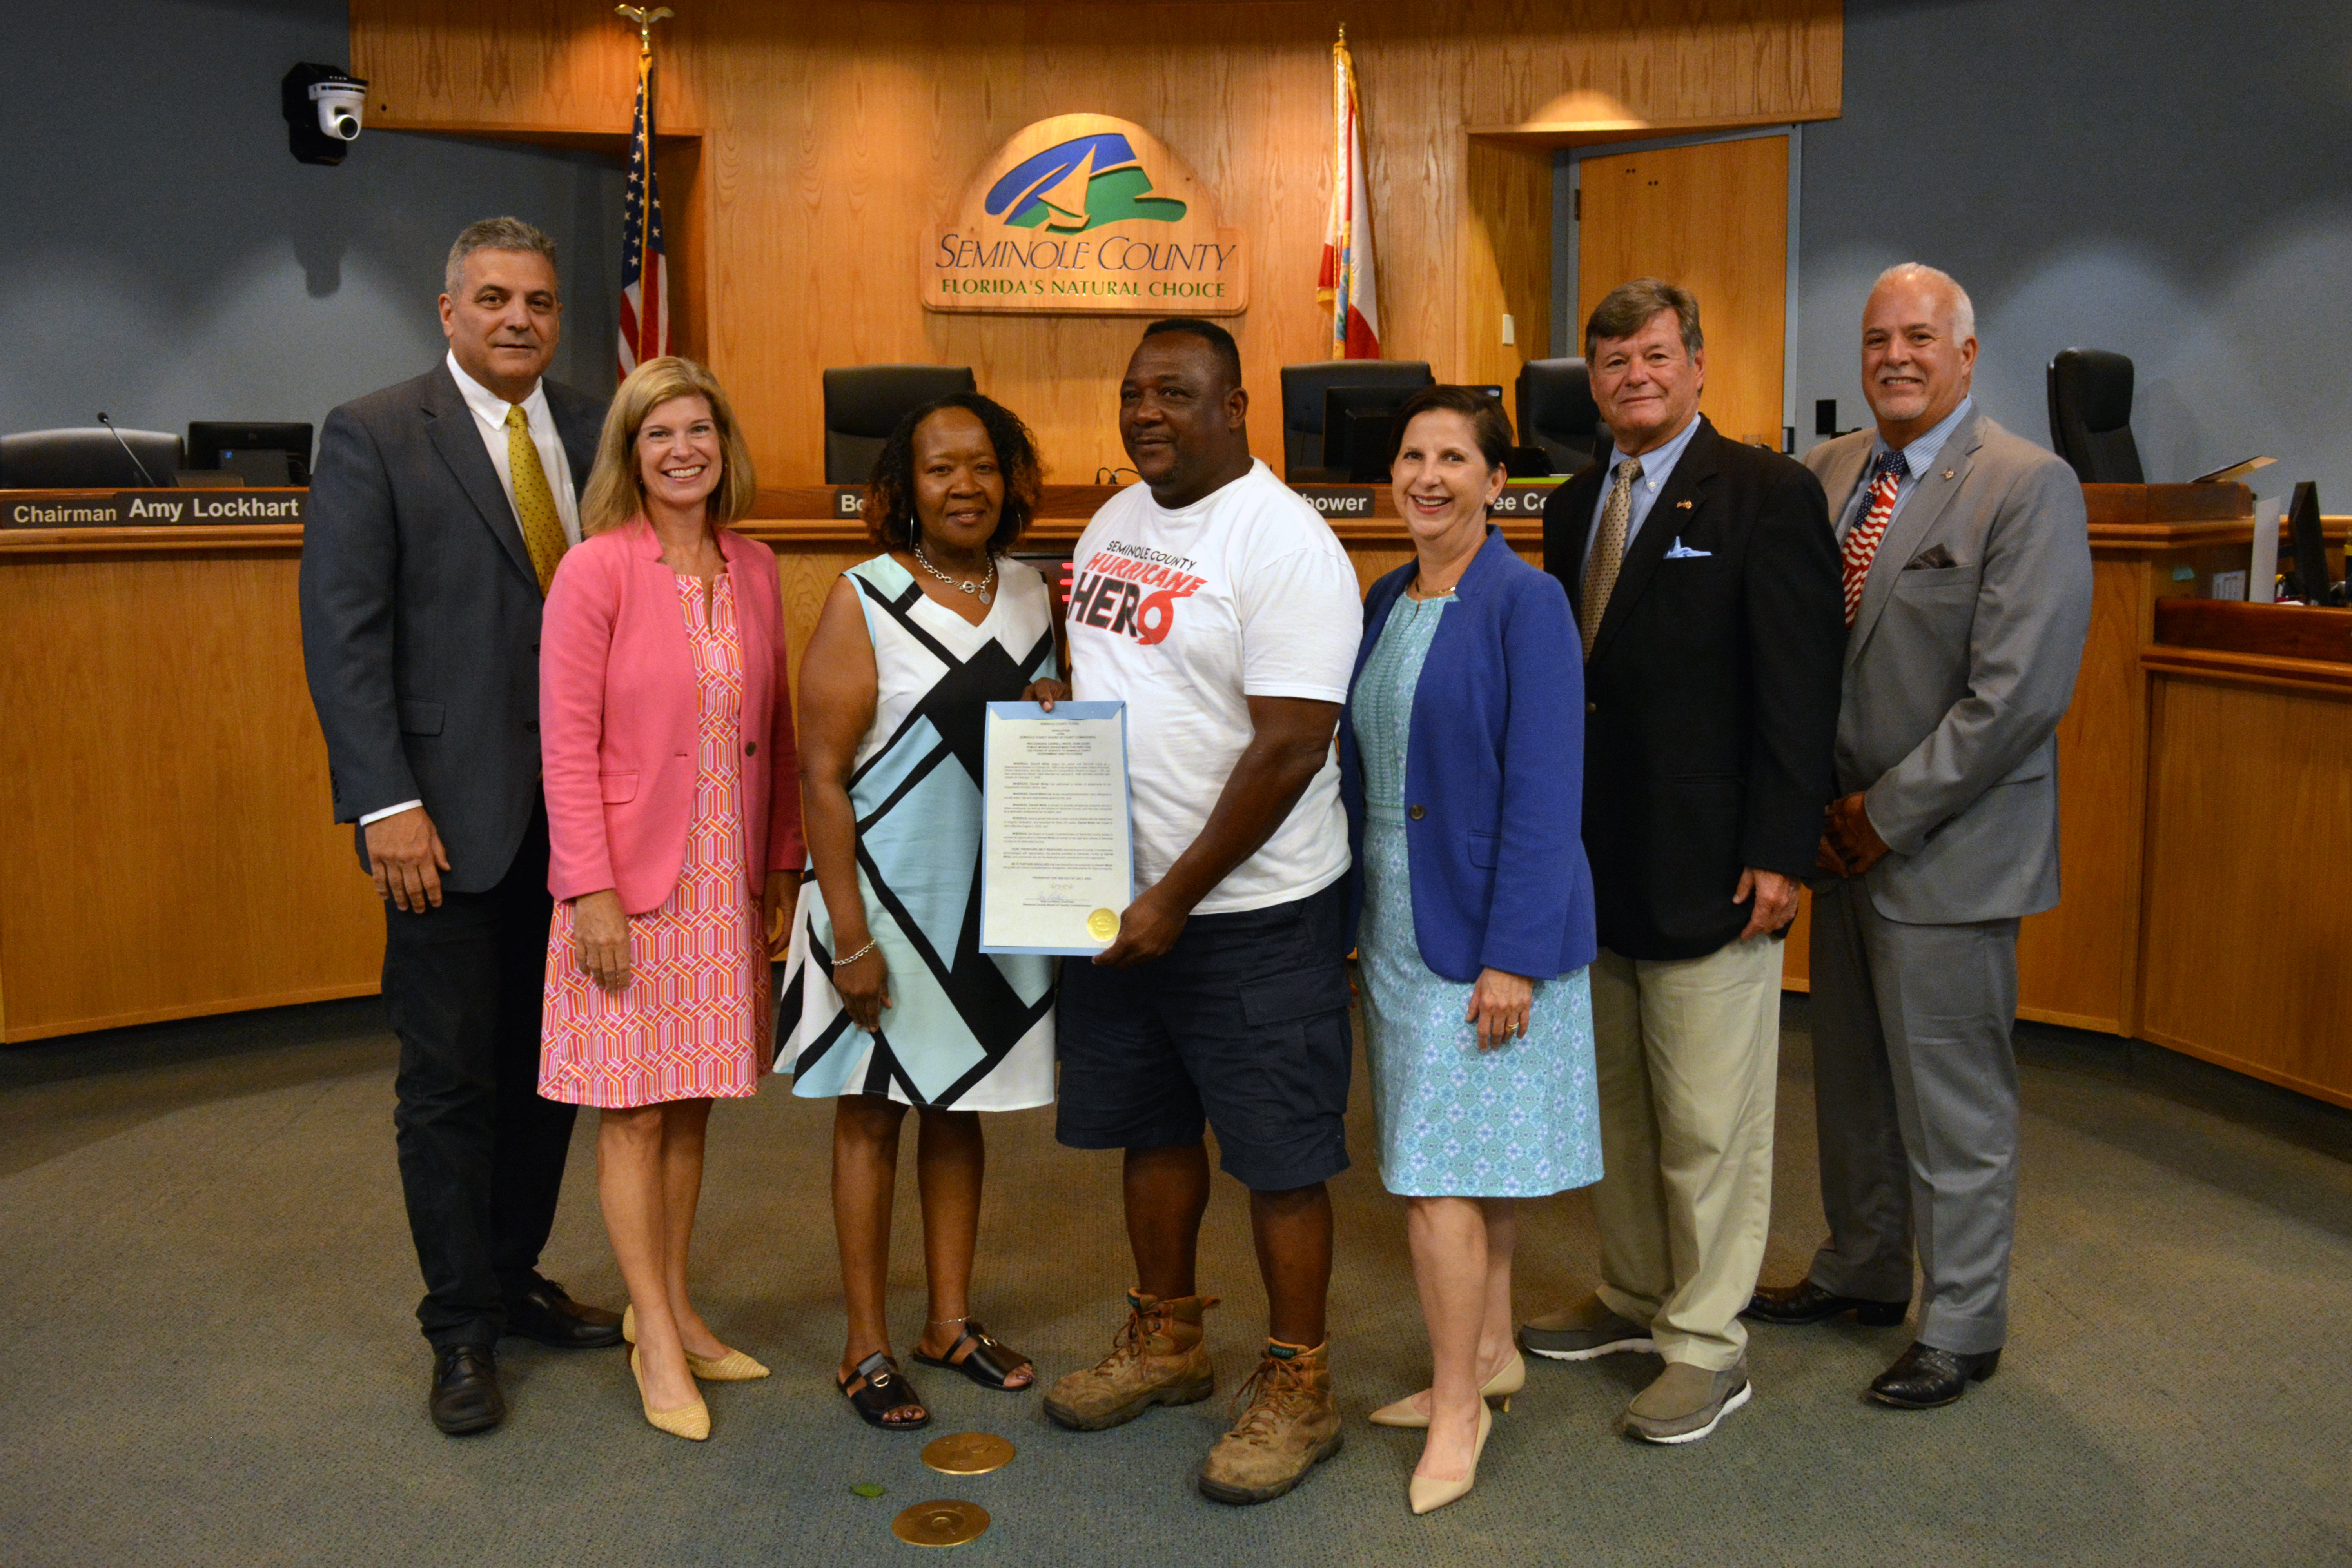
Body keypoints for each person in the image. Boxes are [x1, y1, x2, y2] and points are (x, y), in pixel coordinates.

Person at [1744, 264, 2092, 1409]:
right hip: (1836, 845)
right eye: (1878, 337)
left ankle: (1963, 1321)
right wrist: (1812, 815)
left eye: (1920, 338)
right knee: (1849, 1080)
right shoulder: (1826, 474)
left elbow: (2016, 699)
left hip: (1941, 849)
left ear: (1966, 354)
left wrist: (1881, 819)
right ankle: (1861, 1268)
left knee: (1954, 1101)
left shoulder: (2027, 487)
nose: (1896, 355)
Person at [299, 217, 622, 1436]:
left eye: (539, 301)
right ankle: (459, 1327)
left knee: (552, 1077)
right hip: (440, 821)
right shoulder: (377, 433)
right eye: (492, 299)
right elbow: (345, 634)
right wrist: (385, 800)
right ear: (448, 312)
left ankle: (511, 1274)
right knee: (448, 1080)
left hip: (581, 825)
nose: (519, 320)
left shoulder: (599, 429)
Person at [1040, 318, 1363, 1507]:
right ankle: (1169, 1341)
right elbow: (1120, 686)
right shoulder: (1116, 521)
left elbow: (1290, 747)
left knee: (1280, 1156)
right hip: (1123, 905)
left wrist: (1177, 895)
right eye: (1132, 394)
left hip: (1251, 912)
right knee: (1152, 1128)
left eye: (1174, 395)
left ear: (1237, 408)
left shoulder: (1287, 544)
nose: (1145, 416)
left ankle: (1300, 1384)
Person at [1519, 277, 1844, 1444]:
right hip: (1598, 867)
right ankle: (1633, 1297)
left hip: (1718, 867)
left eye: (1655, 355)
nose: (1634, 377)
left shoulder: (1769, 493)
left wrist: (1780, 850)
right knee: (1619, 1105)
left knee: (1711, 1122)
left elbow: (1801, 692)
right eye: (1612, 362)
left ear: (1697, 364)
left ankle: (1709, 1344)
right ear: (1591, 382)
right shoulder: (1569, 506)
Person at [1338, 386, 1601, 1515]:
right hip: (1399, 928)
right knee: (1472, 1165)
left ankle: (1455, 1410)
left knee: (1438, 1177)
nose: (1428, 476)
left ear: (1500, 482)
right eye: (1412, 456)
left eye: (1455, 458)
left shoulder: (1525, 603)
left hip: (1486, 937)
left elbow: (1550, 792)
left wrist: (1513, 957)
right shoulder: (1387, 596)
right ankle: (1490, 1354)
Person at [780, 393, 1063, 1431]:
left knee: (962, 1110)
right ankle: (866, 1345)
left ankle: (950, 1322)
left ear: (1011, 477)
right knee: (873, 1115)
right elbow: (820, 777)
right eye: (942, 469)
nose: (966, 487)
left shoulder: (1036, 592)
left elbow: (1047, 730)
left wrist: (1051, 715)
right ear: (903, 489)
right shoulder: (866, 596)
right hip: (885, 904)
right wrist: (848, 939)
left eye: (984, 465)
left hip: (989, 901)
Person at [535, 355, 803, 1440]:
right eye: (659, 435)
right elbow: (564, 747)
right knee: (633, 1112)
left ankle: (679, 1309)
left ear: (722, 445)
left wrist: (783, 863)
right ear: (630, 455)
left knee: (693, 1102)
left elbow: (777, 733)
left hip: (725, 883)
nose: (683, 450)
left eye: (698, 430)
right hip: (628, 890)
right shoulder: (594, 572)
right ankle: (652, 1333)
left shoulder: (757, 566)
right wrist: (589, 893)